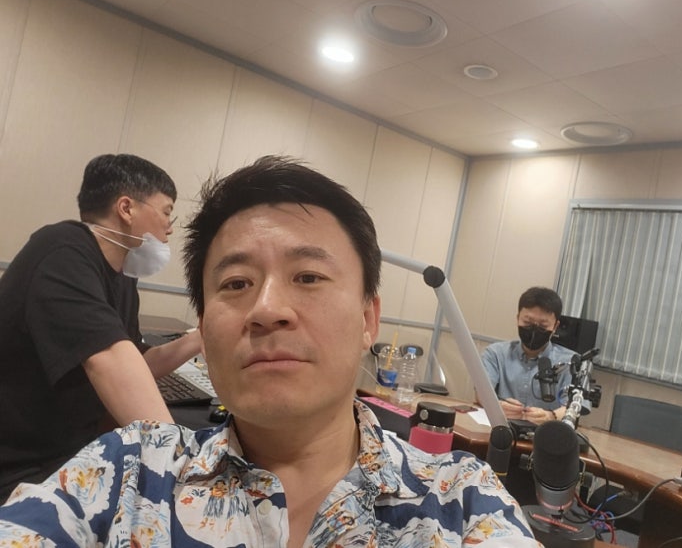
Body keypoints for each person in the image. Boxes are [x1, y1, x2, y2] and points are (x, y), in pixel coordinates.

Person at [0, 155, 540, 548]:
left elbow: (136, 358)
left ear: (368, 319)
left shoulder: (462, 501)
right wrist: (172, 466)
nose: (266, 309)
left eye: (308, 276)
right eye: (236, 284)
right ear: (206, 321)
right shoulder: (124, 474)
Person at [0, 153, 202, 503]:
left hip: (68, 449)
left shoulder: (123, 279)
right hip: (20, 465)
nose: (170, 227)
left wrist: (200, 338)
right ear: (127, 208)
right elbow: (109, 360)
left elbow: (137, 362)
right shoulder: (62, 249)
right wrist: (188, 474)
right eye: (167, 211)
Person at [481, 286, 576, 425]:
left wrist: (551, 416)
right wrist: (497, 406)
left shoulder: (570, 362)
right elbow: (481, 393)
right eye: (527, 322)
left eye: (543, 326)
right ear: (517, 318)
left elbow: (575, 407)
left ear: (555, 326)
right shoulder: (495, 353)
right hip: (500, 430)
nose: (534, 329)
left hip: (546, 434)